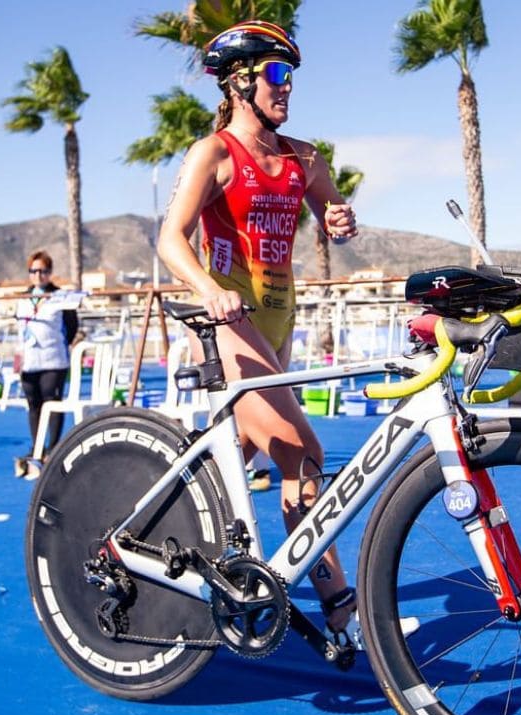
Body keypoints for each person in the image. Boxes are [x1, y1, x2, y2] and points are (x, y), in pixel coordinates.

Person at [155, 20, 372, 640]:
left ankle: (171, 559)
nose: (288, 88)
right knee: (301, 454)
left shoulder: (304, 156)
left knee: (236, 461)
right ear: (239, 83)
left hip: (279, 321)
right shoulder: (215, 153)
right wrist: (209, 288)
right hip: (229, 324)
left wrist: (339, 218)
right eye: (277, 75)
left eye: (291, 76)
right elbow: (171, 239)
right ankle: (342, 613)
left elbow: (332, 213)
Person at [14, 250, 78, 478]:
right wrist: (18, 356)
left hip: (54, 359)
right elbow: (20, 330)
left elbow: (72, 326)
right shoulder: (22, 298)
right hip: (29, 360)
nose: (38, 275)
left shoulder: (61, 297)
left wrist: (61, 344)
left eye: (43, 271)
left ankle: (53, 448)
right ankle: (37, 447)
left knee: (52, 400)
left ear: (50, 273)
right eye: (33, 271)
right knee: (34, 404)